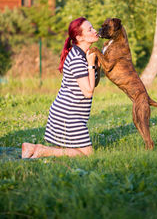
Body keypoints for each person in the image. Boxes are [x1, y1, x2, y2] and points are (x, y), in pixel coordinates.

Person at [22, 17, 100, 158]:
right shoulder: (77, 58)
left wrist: (94, 64)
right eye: (90, 29)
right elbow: (88, 92)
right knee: (87, 155)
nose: (95, 31)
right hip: (69, 116)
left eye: (93, 27)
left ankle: (31, 147)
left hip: (65, 113)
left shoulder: (83, 54)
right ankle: (42, 151)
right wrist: (91, 64)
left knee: (61, 150)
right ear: (79, 37)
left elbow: (91, 82)